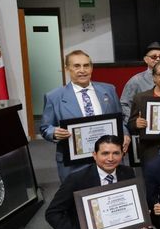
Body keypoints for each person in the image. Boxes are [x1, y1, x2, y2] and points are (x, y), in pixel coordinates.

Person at [40, 50, 129, 181]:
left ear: (91, 68)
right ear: (67, 68)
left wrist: (125, 133)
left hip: (108, 158)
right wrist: (54, 132)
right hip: (75, 163)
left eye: (86, 65)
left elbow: (119, 119)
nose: (82, 70)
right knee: (77, 198)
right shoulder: (54, 96)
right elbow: (45, 128)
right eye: (76, 66)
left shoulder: (109, 90)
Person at [120, 42, 160, 122]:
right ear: (145, 59)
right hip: (146, 126)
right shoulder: (136, 80)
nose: (158, 59)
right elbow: (125, 104)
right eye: (154, 57)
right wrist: (134, 120)